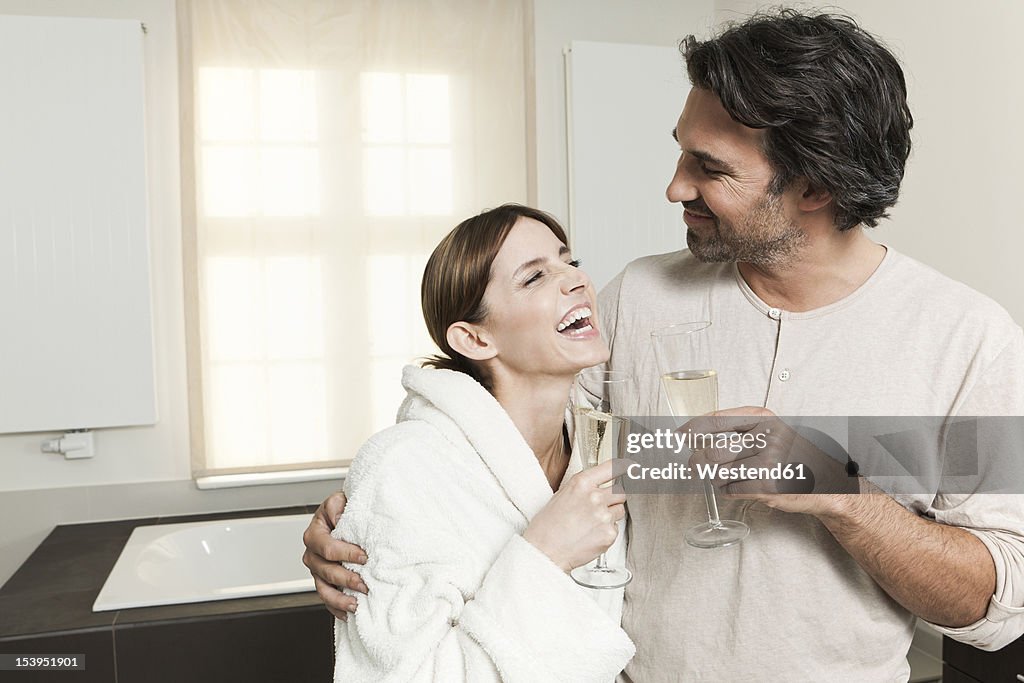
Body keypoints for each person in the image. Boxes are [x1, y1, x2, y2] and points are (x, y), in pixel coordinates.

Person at [305, 10, 1024, 680]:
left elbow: (995, 601)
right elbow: (509, 465)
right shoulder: (637, 298)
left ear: (813, 186)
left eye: (709, 168)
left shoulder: (965, 340)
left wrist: (840, 491)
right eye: (681, 154)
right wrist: (379, 523)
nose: (674, 186)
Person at [323, 203, 634, 681]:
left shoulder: (600, 447)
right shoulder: (403, 468)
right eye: (534, 277)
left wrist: (787, 459)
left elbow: (733, 464)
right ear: (473, 338)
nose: (578, 280)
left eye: (568, 262)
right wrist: (545, 555)